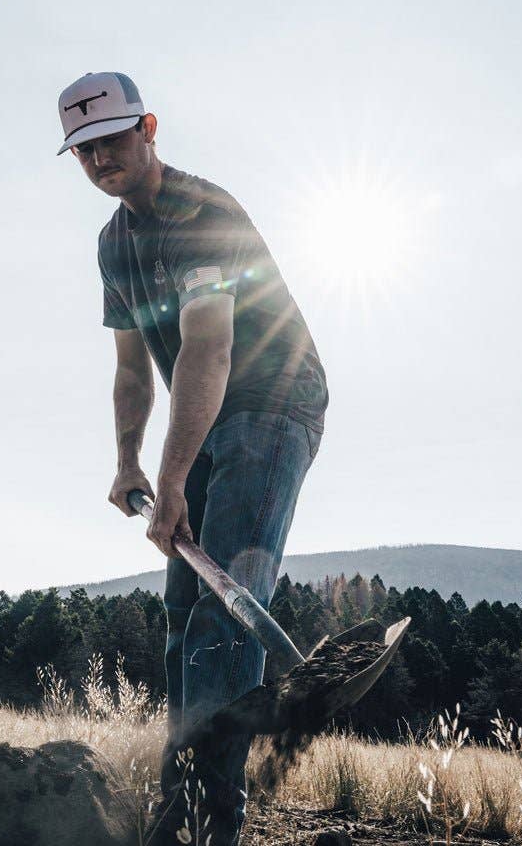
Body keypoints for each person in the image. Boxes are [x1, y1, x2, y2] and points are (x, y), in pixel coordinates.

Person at [57, 72, 328, 845]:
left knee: (225, 609)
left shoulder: (203, 212)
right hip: (202, 421)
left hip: (270, 402)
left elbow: (208, 350)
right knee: (184, 616)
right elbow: (133, 367)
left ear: (147, 127)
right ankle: (173, 810)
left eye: (110, 139)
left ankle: (217, 823)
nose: (99, 159)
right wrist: (129, 463)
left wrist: (174, 480)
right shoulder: (114, 244)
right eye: (82, 149)